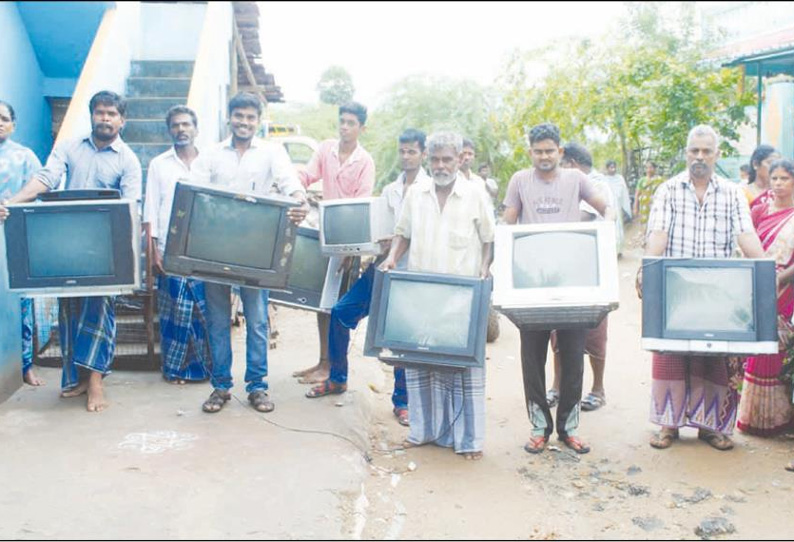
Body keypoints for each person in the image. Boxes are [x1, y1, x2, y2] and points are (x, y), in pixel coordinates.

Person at [0, 90, 142, 412]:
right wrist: (11, 202)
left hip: (104, 255)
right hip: (68, 249)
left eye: (111, 114)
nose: (105, 118)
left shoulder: (128, 159)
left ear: (123, 120)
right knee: (70, 317)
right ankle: (79, 379)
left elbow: (131, 207)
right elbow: (47, 178)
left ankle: (95, 384)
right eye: (100, 112)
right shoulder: (69, 147)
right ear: (92, 116)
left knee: (99, 317)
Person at [643, 124, 764, 451]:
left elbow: (745, 234)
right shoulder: (668, 190)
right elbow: (658, 234)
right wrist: (648, 269)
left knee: (712, 358)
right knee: (671, 355)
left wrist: (765, 267)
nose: (699, 157)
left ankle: (710, 427)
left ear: (716, 155)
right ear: (686, 153)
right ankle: (669, 425)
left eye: (706, 151)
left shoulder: (732, 193)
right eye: (694, 151)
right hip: (676, 286)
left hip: (717, 290)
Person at [190, 92, 308, 414]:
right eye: (238, 116)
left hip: (256, 248)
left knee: (256, 321)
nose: (244, 122)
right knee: (217, 320)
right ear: (229, 118)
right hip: (214, 248)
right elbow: (194, 190)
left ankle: (257, 386)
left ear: (258, 120)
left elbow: (290, 184)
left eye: (250, 117)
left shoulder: (271, 153)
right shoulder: (211, 155)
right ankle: (221, 387)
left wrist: (300, 199)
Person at [380, 131, 495, 460]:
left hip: (461, 298)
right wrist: (391, 258)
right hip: (422, 294)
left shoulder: (476, 194)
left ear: (460, 159)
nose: (441, 165)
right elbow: (402, 233)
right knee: (422, 365)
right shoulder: (416, 194)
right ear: (429, 161)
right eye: (435, 159)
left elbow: (488, 239)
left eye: (447, 159)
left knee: (461, 369)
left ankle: (468, 441)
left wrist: (484, 268)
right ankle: (423, 432)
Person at [305, 129, 431, 427]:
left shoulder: (428, 189)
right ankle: (337, 378)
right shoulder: (390, 189)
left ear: (422, 154)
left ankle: (402, 402)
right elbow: (379, 233)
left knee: (401, 334)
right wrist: (371, 249)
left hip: (410, 271)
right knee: (340, 312)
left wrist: (399, 243)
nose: (406, 156)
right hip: (381, 266)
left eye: (412, 151)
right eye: (402, 151)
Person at [502, 124, 612, 455]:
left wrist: (599, 229)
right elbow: (509, 224)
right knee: (532, 356)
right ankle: (539, 428)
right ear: (530, 152)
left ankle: (569, 428)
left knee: (573, 355)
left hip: (571, 281)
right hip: (532, 282)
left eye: (550, 150)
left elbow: (602, 206)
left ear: (560, 152)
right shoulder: (519, 181)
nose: (545, 156)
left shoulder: (576, 180)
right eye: (538, 151)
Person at [291, 101, 375, 385]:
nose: (345, 127)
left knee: (336, 307)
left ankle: (332, 366)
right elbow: (306, 175)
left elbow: (361, 206)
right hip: (325, 236)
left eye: (351, 123)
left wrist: (353, 251)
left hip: (348, 243)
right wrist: (294, 187)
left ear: (362, 128)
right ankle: (322, 361)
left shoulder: (365, 161)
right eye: (342, 121)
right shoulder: (326, 149)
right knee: (320, 303)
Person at [546, 142, 617, 413]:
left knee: (595, 331)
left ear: (572, 164)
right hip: (563, 269)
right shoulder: (560, 184)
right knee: (557, 328)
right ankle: (557, 385)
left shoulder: (597, 185)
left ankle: (598, 389)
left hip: (592, 271)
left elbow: (581, 217)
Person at [143, 105, 211, 385]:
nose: (181, 129)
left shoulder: (209, 162)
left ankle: (203, 370)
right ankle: (175, 369)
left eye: (186, 124)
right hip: (170, 249)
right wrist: (154, 250)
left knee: (201, 311)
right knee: (174, 311)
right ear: (169, 130)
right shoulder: (160, 164)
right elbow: (150, 209)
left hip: (204, 247)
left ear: (196, 128)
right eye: (175, 125)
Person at [738, 159, 794, 436]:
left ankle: (779, 419)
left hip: (786, 288)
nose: (779, 183)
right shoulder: (760, 209)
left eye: (785, 178)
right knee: (757, 346)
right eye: (775, 178)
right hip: (757, 283)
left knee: (777, 347)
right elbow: (746, 239)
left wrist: (781, 278)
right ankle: (754, 418)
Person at [0, 100, 44, 387]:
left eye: (3, 118)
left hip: (14, 238)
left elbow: (40, 193)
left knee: (21, 302)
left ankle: (25, 365)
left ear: (13, 124)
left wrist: (10, 208)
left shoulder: (25, 156)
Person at [603, 160, 631, 254]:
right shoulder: (604, 179)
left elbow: (623, 192)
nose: (613, 169)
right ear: (607, 168)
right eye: (611, 167)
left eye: (614, 167)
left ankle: (618, 250)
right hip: (608, 207)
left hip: (617, 207)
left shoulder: (619, 178)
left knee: (618, 227)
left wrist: (625, 207)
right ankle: (610, 250)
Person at [743, 144, 781, 209]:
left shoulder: (783, 191)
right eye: (770, 163)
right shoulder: (743, 192)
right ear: (755, 164)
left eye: (778, 164)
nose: (775, 168)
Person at [632, 161, 664, 226]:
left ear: (655, 169)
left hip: (656, 205)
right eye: (647, 168)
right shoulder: (642, 180)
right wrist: (635, 207)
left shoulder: (660, 180)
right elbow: (637, 194)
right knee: (644, 224)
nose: (649, 170)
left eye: (651, 167)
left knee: (655, 223)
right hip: (643, 206)